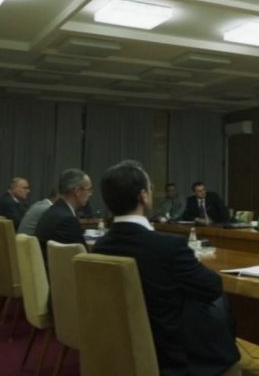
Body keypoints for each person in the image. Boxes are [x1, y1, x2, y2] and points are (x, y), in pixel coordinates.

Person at [94, 160, 240, 376]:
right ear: (143, 196)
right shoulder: (168, 246)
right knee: (220, 302)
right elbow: (212, 288)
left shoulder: (100, 247)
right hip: (173, 352)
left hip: (120, 343)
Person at [34, 169, 92, 257]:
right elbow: (83, 259)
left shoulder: (52, 211)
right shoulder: (67, 220)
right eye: (89, 189)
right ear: (77, 191)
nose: (90, 194)